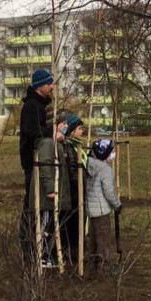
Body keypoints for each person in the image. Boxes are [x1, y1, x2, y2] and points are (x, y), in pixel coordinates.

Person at [19, 68, 57, 268]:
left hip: (40, 160)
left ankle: (34, 245)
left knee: (37, 204)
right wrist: (53, 133)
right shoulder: (32, 106)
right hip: (34, 162)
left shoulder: (40, 105)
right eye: (49, 83)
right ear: (40, 85)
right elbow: (33, 131)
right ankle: (30, 246)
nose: (52, 87)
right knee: (33, 203)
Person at [85, 138, 122, 273]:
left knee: (94, 238)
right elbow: (109, 192)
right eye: (112, 151)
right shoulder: (105, 170)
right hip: (102, 210)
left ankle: (92, 263)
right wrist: (117, 204)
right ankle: (104, 266)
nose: (114, 153)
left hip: (91, 209)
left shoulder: (90, 165)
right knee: (104, 239)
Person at [57, 113, 87, 267]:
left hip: (80, 190)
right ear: (72, 130)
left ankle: (77, 248)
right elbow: (73, 171)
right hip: (75, 192)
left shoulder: (77, 145)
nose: (82, 131)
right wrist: (82, 184)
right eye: (80, 128)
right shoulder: (69, 147)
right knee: (73, 223)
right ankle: (72, 250)